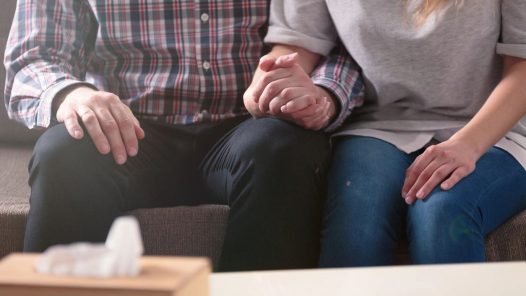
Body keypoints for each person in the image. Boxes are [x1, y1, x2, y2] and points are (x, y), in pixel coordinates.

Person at [3, 0, 363, 271]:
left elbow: (351, 38)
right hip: (128, 127)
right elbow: (33, 56)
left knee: (283, 149)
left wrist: (324, 94)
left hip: (249, 126)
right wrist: (72, 94)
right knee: (65, 154)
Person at [259, 0, 526, 266]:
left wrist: (468, 144)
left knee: (441, 211)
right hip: (381, 125)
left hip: (500, 129)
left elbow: (522, 65)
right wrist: (280, 83)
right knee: (357, 219)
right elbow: (296, 45)